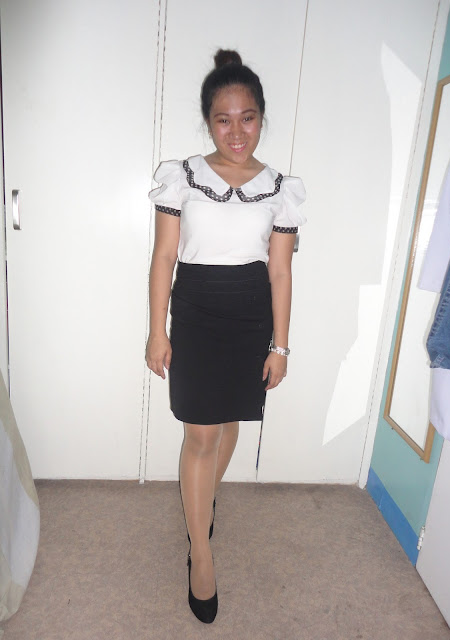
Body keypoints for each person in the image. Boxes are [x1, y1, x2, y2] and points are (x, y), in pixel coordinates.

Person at [145, 49, 306, 624]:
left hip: (250, 315)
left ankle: (201, 507)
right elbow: (164, 257)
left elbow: (280, 271)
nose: (236, 132)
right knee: (201, 433)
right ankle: (201, 552)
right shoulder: (183, 176)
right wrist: (157, 331)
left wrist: (280, 345)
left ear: (261, 118)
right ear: (208, 121)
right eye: (223, 119)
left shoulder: (281, 189)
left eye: (248, 118)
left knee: (231, 420)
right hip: (195, 311)